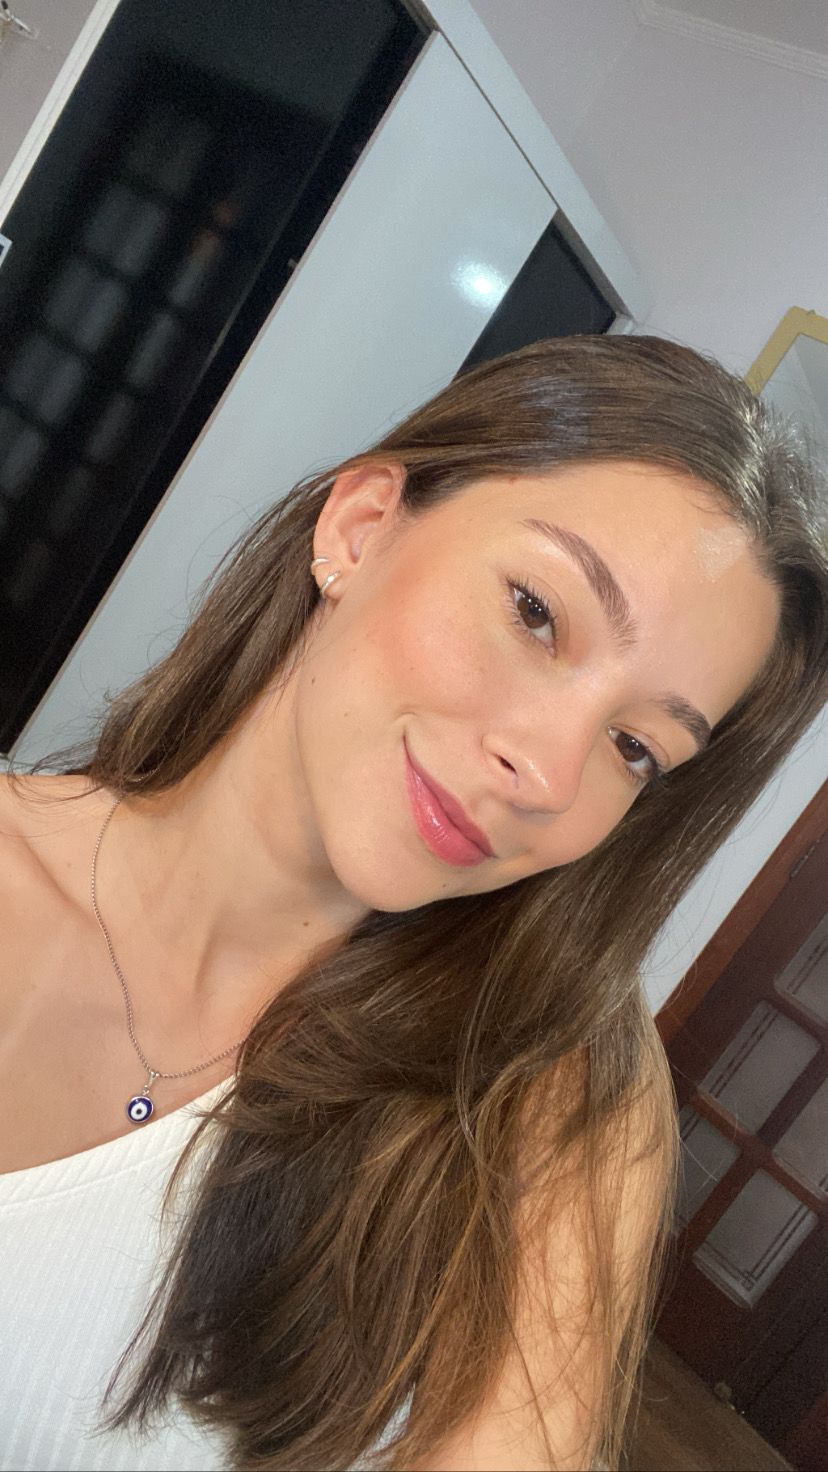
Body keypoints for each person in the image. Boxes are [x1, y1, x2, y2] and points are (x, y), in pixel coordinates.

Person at [1, 333, 825, 1472]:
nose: (546, 772)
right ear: (359, 527)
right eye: (536, 612)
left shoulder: (545, 1092)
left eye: (634, 747)